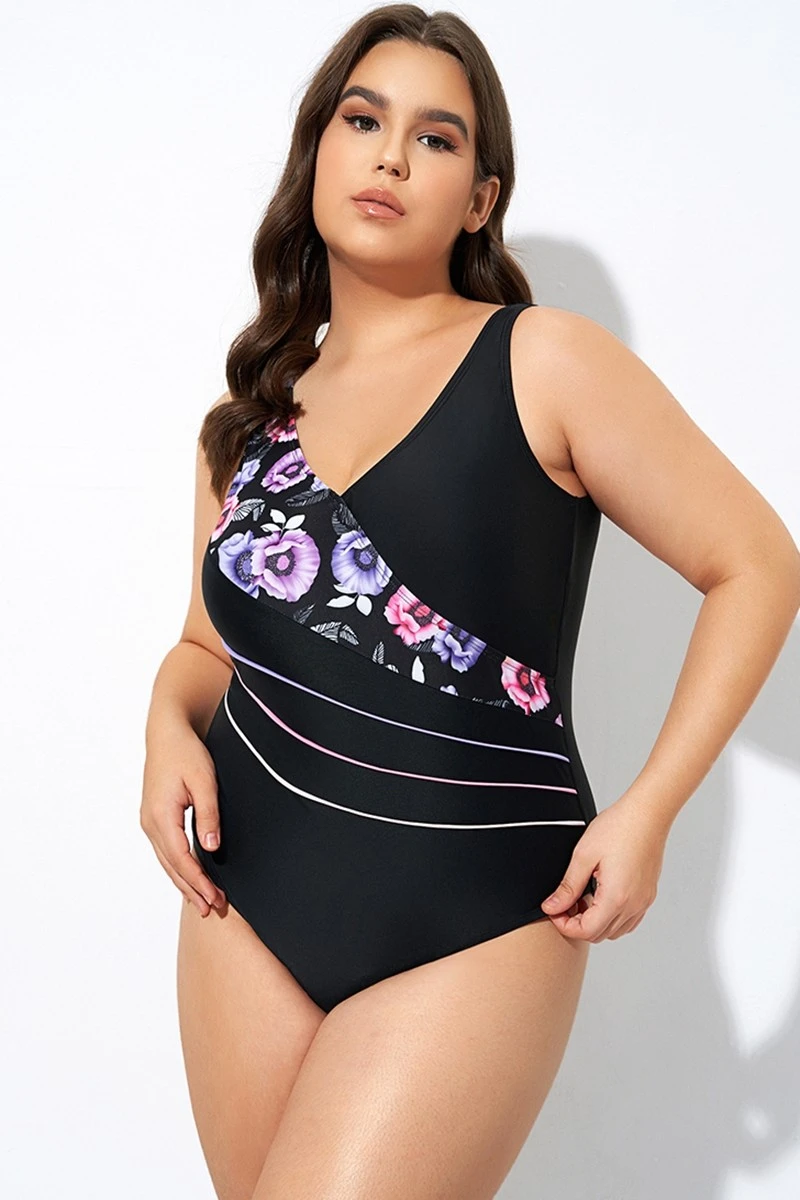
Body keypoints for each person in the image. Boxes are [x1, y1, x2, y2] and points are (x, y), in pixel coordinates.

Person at [140, 5, 800, 1198]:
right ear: (317, 151)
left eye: (434, 138)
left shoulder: (543, 359)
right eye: (361, 120)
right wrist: (161, 722)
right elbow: (205, 647)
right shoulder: (243, 427)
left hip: (480, 911)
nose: (390, 157)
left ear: (479, 199)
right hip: (242, 901)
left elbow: (754, 562)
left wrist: (647, 811)